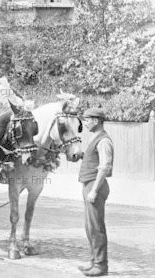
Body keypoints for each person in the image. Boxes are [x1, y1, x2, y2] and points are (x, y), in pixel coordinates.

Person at [77, 108, 114, 277]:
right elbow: (94, 158)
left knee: (96, 227)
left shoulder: (104, 140)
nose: (84, 123)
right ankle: (94, 261)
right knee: (89, 227)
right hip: (89, 184)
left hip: (95, 186)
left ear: (96, 121)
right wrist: (82, 155)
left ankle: (100, 265)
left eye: (87, 119)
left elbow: (105, 167)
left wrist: (93, 190)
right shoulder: (94, 138)